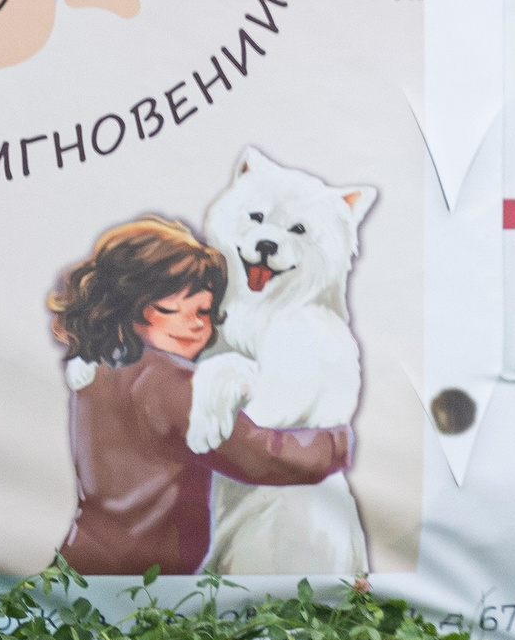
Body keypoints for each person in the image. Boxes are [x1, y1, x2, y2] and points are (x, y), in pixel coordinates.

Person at [51, 216, 354, 577]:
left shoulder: (98, 369)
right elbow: (263, 457)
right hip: (135, 578)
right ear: (129, 307)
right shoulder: (166, 383)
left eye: (204, 312)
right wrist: (338, 442)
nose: (194, 323)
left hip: (86, 561)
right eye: (171, 309)